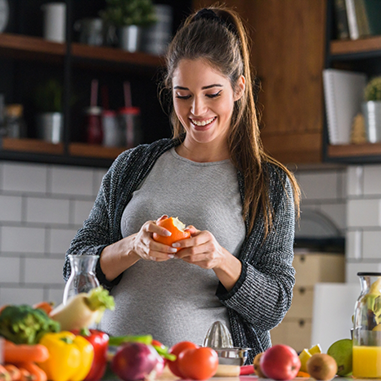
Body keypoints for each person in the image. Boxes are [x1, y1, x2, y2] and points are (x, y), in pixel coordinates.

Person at [63, 5, 300, 362]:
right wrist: (132, 247)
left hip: (213, 371)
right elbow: (74, 270)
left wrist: (220, 259)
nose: (197, 110)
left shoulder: (268, 184)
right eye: (183, 94)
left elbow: (274, 306)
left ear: (238, 88)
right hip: (114, 366)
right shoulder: (133, 166)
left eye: (212, 93)